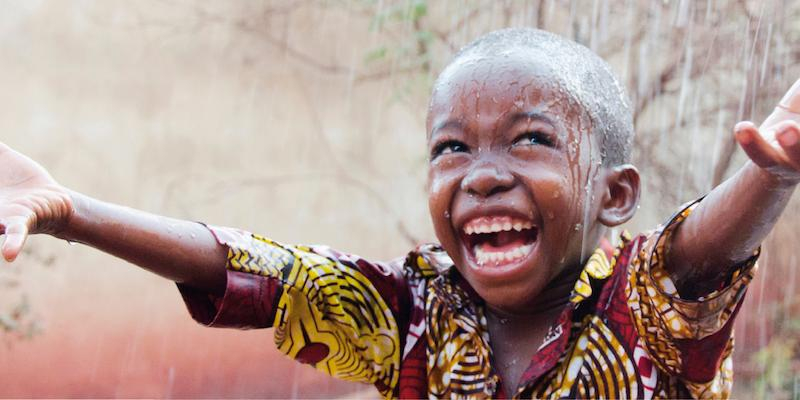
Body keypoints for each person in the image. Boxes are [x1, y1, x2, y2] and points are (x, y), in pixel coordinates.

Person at [1, 28, 798, 399]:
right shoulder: (412, 317)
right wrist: (71, 212)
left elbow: (695, 260)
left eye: (529, 142)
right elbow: (259, 271)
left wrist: (773, 176)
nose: (482, 178)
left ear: (613, 195)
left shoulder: (642, 314)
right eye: (452, 149)